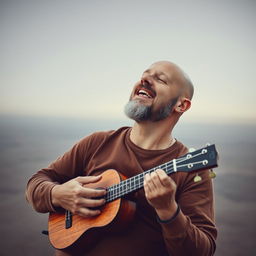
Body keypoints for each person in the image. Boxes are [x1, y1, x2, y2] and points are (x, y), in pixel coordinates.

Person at [26, 61, 217, 256]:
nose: (144, 79)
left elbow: (202, 251)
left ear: (181, 105)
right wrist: (57, 194)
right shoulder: (97, 143)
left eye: (160, 79)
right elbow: (35, 183)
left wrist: (168, 210)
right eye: (144, 75)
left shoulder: (192, 169)